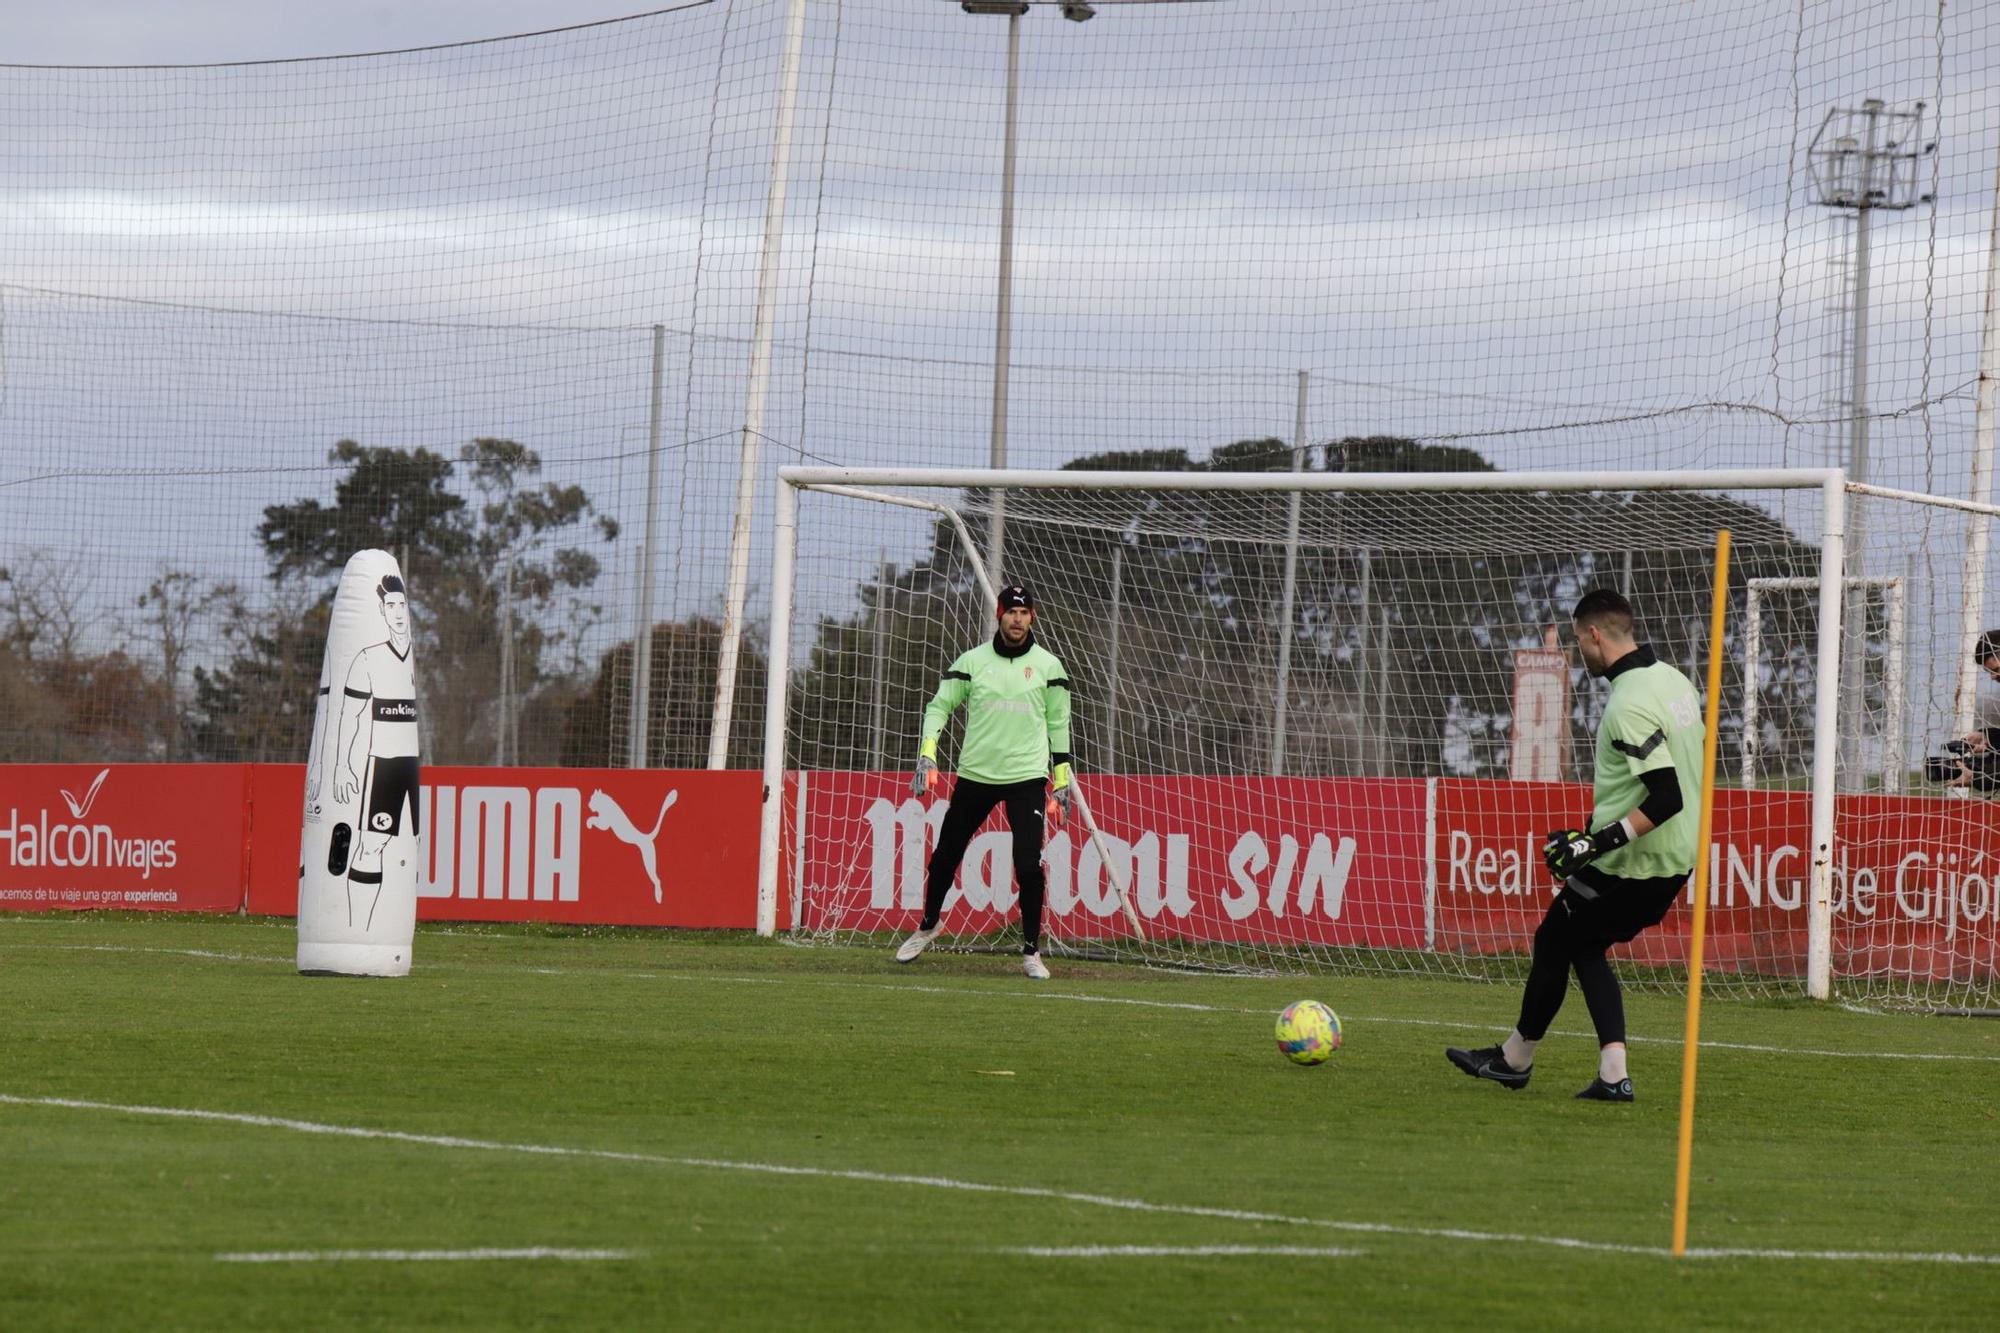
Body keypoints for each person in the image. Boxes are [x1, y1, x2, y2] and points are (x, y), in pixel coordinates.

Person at [1446, 588, 1702, 1102]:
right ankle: (1606, 1073)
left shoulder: (1628, 704)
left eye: (1578, 641)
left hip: (1636, 864)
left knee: (1556, 938)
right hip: (1675, 858)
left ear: (1594, 635)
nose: (1579, 652)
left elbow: (1668, 796)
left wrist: (1596, 844)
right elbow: (1645, 784)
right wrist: (1589, 836)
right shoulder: (1673, 681)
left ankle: (1517, 1061)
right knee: (1578, 942)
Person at [895, 582, 1073, 980]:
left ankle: (1031, 952)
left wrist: (1060, 780)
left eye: (1024, 612)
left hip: (1027, 776)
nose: (1017, 618)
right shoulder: (972, 661)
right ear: (999, 614)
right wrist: (927, 751)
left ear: (1033, 617)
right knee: (945, 855)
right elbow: (939, 706)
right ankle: (928, 924)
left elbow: (1059, 725)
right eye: (1011, 611)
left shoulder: (1049, 667)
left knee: (1028, 865)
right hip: (976, 774)